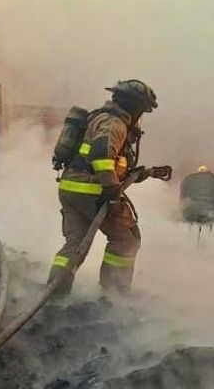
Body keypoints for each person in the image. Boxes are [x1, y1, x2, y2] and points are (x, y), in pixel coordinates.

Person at [49, 79, 158, 295]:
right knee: (126, 238)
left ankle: (55, 293)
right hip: (93, 192)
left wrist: (136, 174)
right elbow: (101, 156)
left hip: (71, 189)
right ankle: (113, 295)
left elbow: (105, 160)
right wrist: (111, 190)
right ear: (135, 106)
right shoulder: (114, 123)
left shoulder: (98, 118)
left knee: (75, 244)